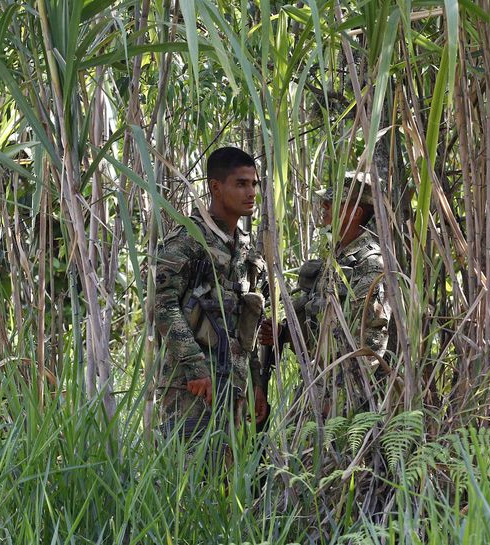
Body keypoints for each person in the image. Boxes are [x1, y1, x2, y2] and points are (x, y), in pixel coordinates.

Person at [155, 146, 269, 444]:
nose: (251, 192)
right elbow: (164, 306)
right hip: (191, 387)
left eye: (254, 184)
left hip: (235, 387)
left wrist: (256, 383)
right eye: (241, 184)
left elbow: (250, 325)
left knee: (229, 483)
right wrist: (195, 367)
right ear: (215, 187)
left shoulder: (246, 250)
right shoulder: (187, 241)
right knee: (189, 479)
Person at [260, 170, 390, 416]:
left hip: (344, 402)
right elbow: (320, 324)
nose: (325, 208)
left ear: (355, 213)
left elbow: (371, 344)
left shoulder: (369, 265)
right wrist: (285, 333)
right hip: (315, 388)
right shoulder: (337, 260)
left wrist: (340, 399)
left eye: (333, 202)